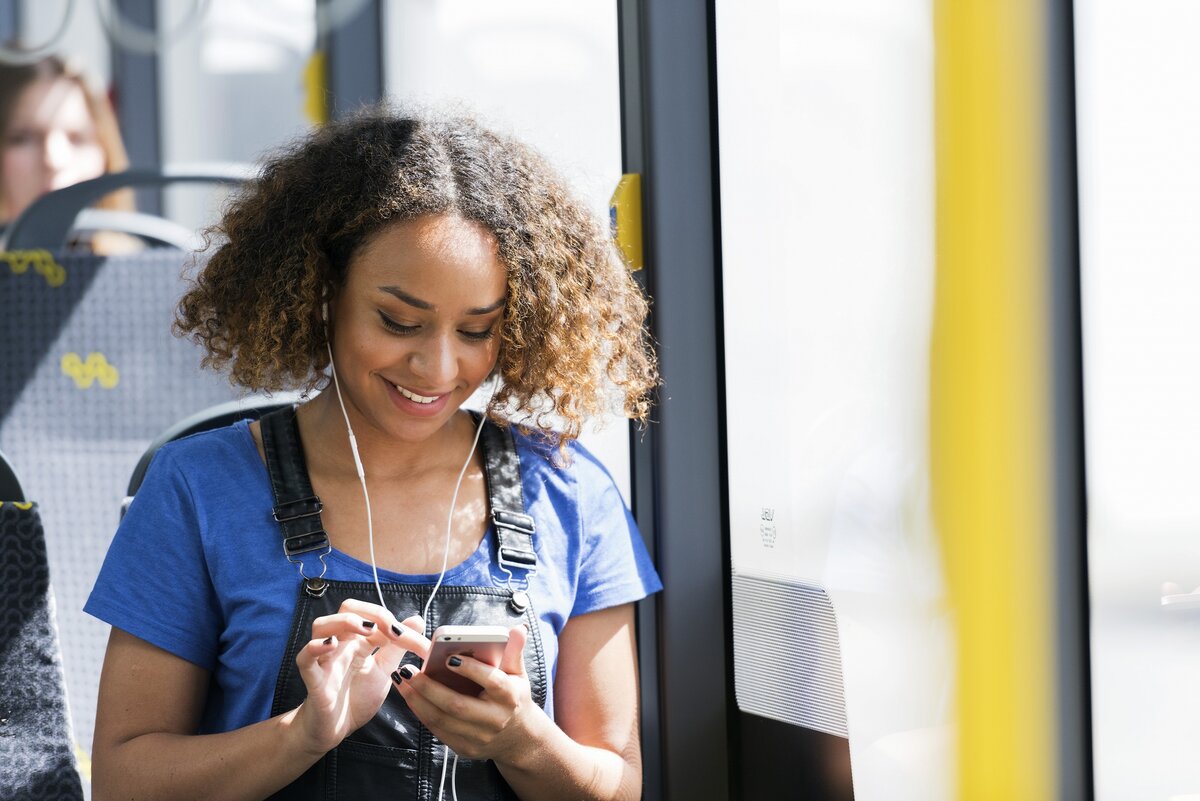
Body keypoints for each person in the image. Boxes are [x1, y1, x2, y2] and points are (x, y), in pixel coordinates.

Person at [84, 108, 661, 800]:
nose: (438, 367)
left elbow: (619, 783)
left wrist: (523, 741)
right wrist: (301, 733)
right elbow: (124, 780)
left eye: (478, 330)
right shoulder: (196, 490)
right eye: (399, 321)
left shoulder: (572, 494)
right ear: (324, 293)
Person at [0, 54, 135, 251]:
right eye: (24, 138)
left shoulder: (145, 271)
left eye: (76, 138)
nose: (54, 160)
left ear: (106, 154)